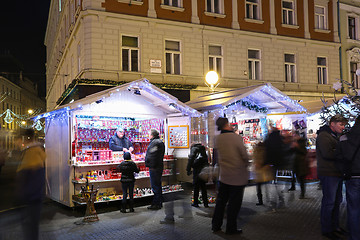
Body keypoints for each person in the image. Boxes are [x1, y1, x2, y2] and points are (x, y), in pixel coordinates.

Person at [212, 117, 249, 235]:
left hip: (224, 176)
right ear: (227, 125)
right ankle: (231, 228)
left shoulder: (217, 139)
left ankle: (216, 225)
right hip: (237, 176)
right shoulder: (236, 138)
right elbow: (244, 155)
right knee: (234, 204)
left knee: (221, 202)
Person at [316, 114, 348, 240]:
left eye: (344, 125)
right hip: (329, 173)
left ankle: (335, 227)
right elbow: (328, 153)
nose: (343, 127)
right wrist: (341, 151)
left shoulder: (335, 136)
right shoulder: (324, 136)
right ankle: (327, 229)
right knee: (329, 202)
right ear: (333, 124)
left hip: (336, 173)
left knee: (337, 201)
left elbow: (334, 151)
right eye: (341, 124)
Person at [15, 129, 46, 240]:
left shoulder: (31, 152)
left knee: (30, 226)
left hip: (31, 196)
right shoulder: (38, 150)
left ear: (26, 138)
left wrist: (21, 194)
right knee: (32, 225)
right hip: (35, 195)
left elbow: (26, 174)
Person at [336, 115, 360, 240]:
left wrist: (344, 171)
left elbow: (338, 158)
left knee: (353, 208)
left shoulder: (344, 138)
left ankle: (354, 236)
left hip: (352, 177)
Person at [264, 126, 286, 210]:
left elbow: (266, 152)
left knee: (271, 184)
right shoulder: (281, 140)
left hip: (271, 165)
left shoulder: (269, 140)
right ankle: (281, 200)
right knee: (279, 184)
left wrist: (266, 163)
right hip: (280, 164)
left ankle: (273, 203)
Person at [145, 129, 165, 210]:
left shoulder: (155, 143)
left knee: (155, 186)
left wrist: (148, 164)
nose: (148, 135)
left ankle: (156, 204)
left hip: (154, 167)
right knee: (158, 185)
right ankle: (159, 202)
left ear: (152, 135)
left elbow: (152, 155)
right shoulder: (160, 142)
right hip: (158, 166)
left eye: (149, 134)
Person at [186, 143, 209, 208]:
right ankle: (206, 203)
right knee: (203, 188)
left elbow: (191, 159)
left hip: (197, 170)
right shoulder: (203, 149)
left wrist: (188, 169)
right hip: (203, 170)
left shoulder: (194, 149)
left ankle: (195, 203)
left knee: (196, 187)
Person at [291, 131, 309, 199]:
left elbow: (304, 152)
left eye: (294, 135)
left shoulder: (301, 142)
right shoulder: (294, 142)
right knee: (295, 177)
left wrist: (297, 146)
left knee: (301, 179)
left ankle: (302, 193)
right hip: (295, 162)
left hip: (301, 164)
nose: (293, 136)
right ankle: (293, 187)